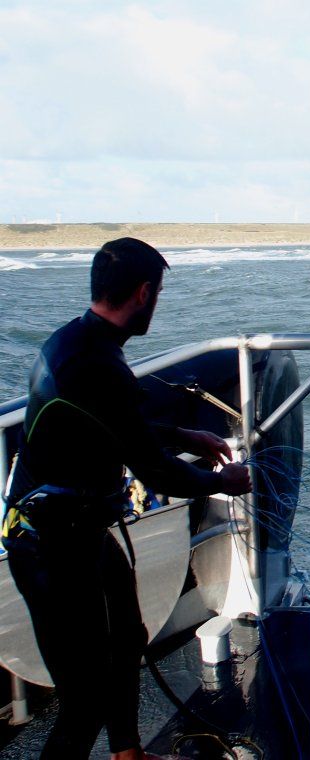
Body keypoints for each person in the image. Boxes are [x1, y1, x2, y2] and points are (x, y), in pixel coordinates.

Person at [1, 238, 252, 760]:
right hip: (51, 546)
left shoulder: (75, 342)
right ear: (144, 293)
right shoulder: (98, 367)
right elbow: (160, 474)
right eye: (157, 294)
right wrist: (225, 483)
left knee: (129, 637)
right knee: (84, 698)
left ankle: (128, 754)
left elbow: (111, 426)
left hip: (81, 528)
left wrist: (187, 436)